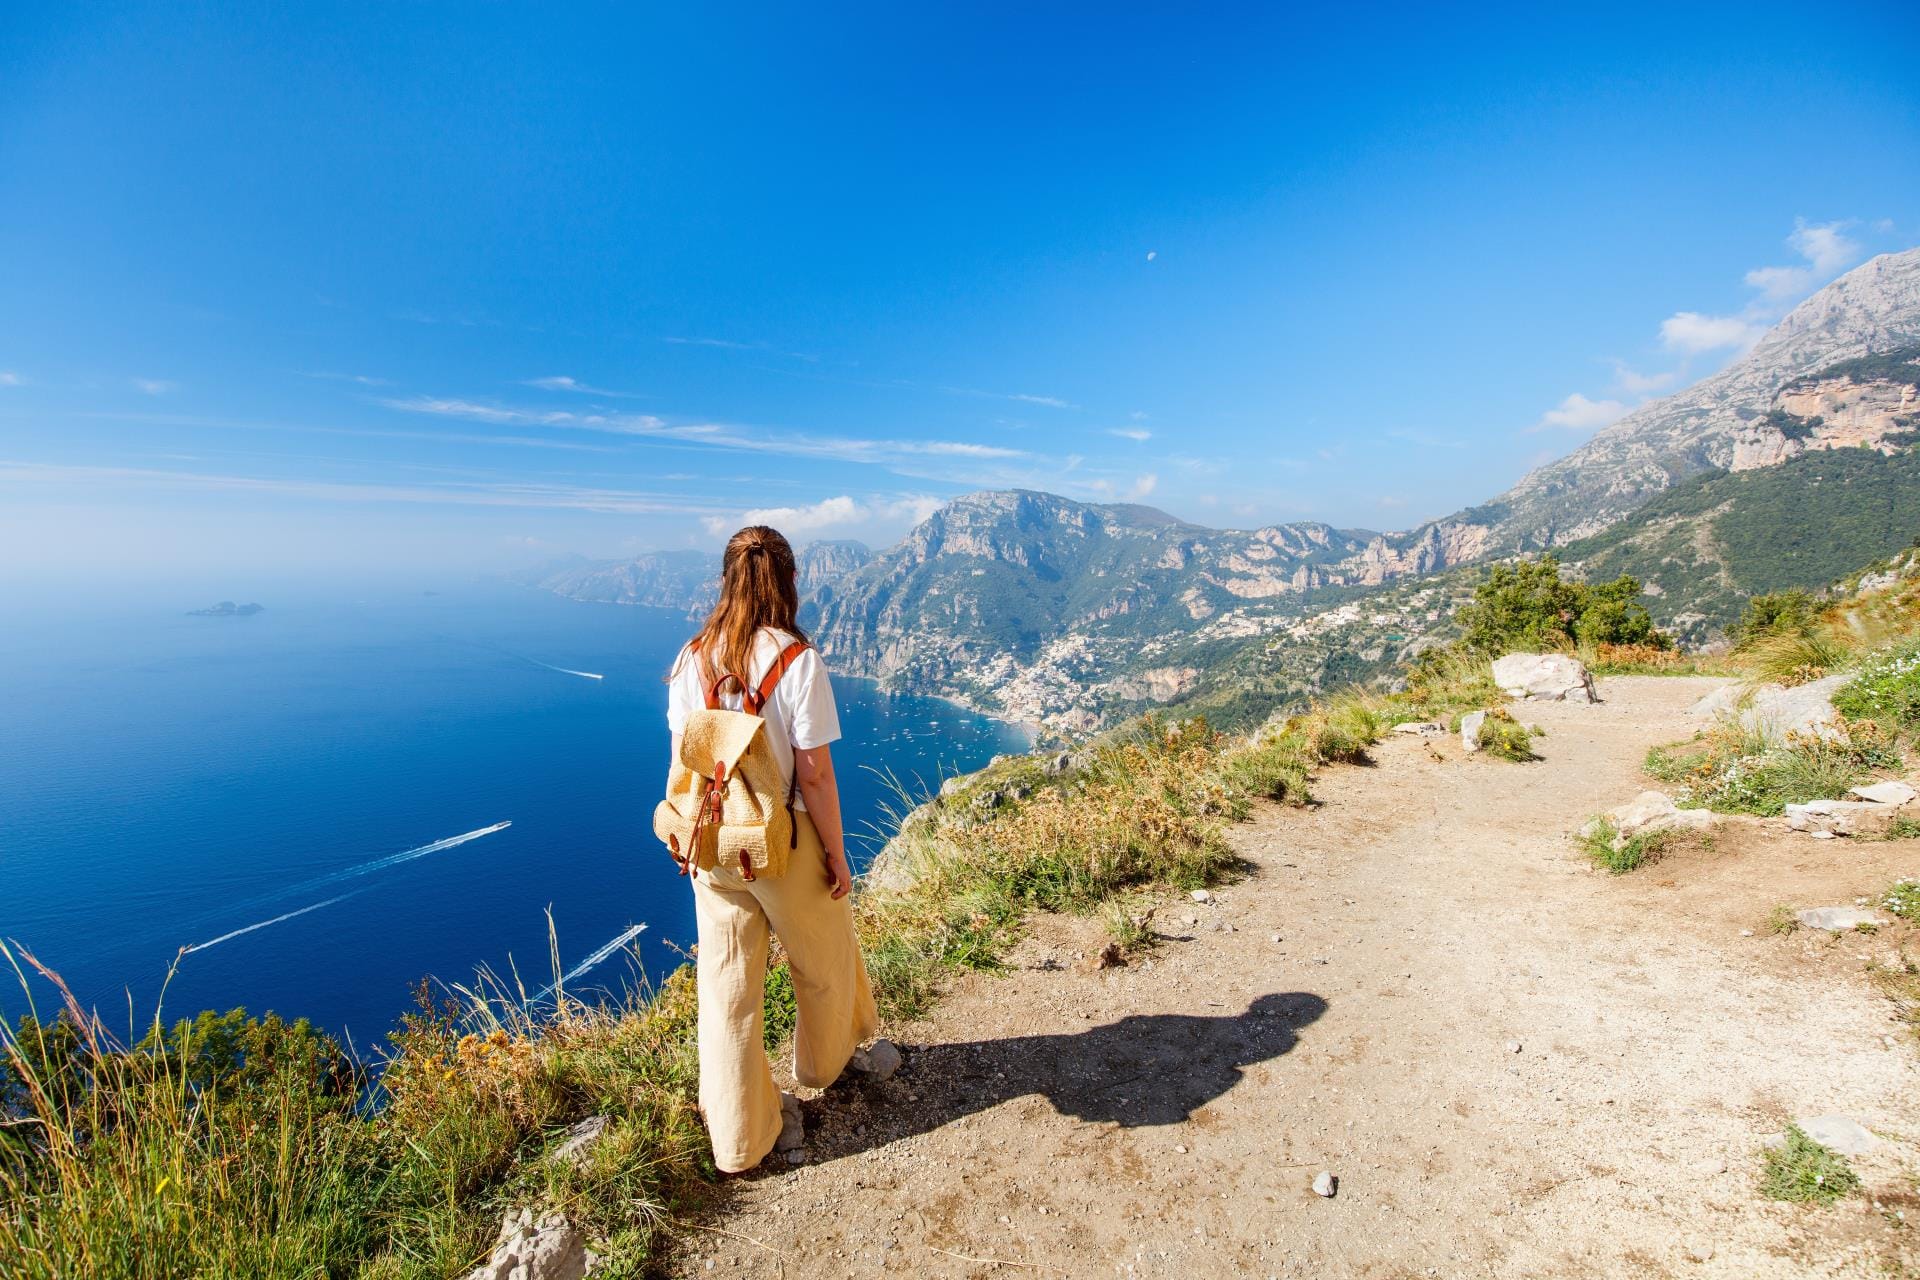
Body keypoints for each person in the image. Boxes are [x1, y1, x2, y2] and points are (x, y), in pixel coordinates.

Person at [666, 525, 878, 1173]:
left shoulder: (689, 660)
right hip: (782, 840)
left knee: (728, 988)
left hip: (713, 845)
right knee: (824, 952)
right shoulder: (797, 660)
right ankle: (824, 1064)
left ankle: (740, 1137)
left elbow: (687, 755)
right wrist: (837, 855)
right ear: (787, 581)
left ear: (726, 581)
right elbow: (814, 773)